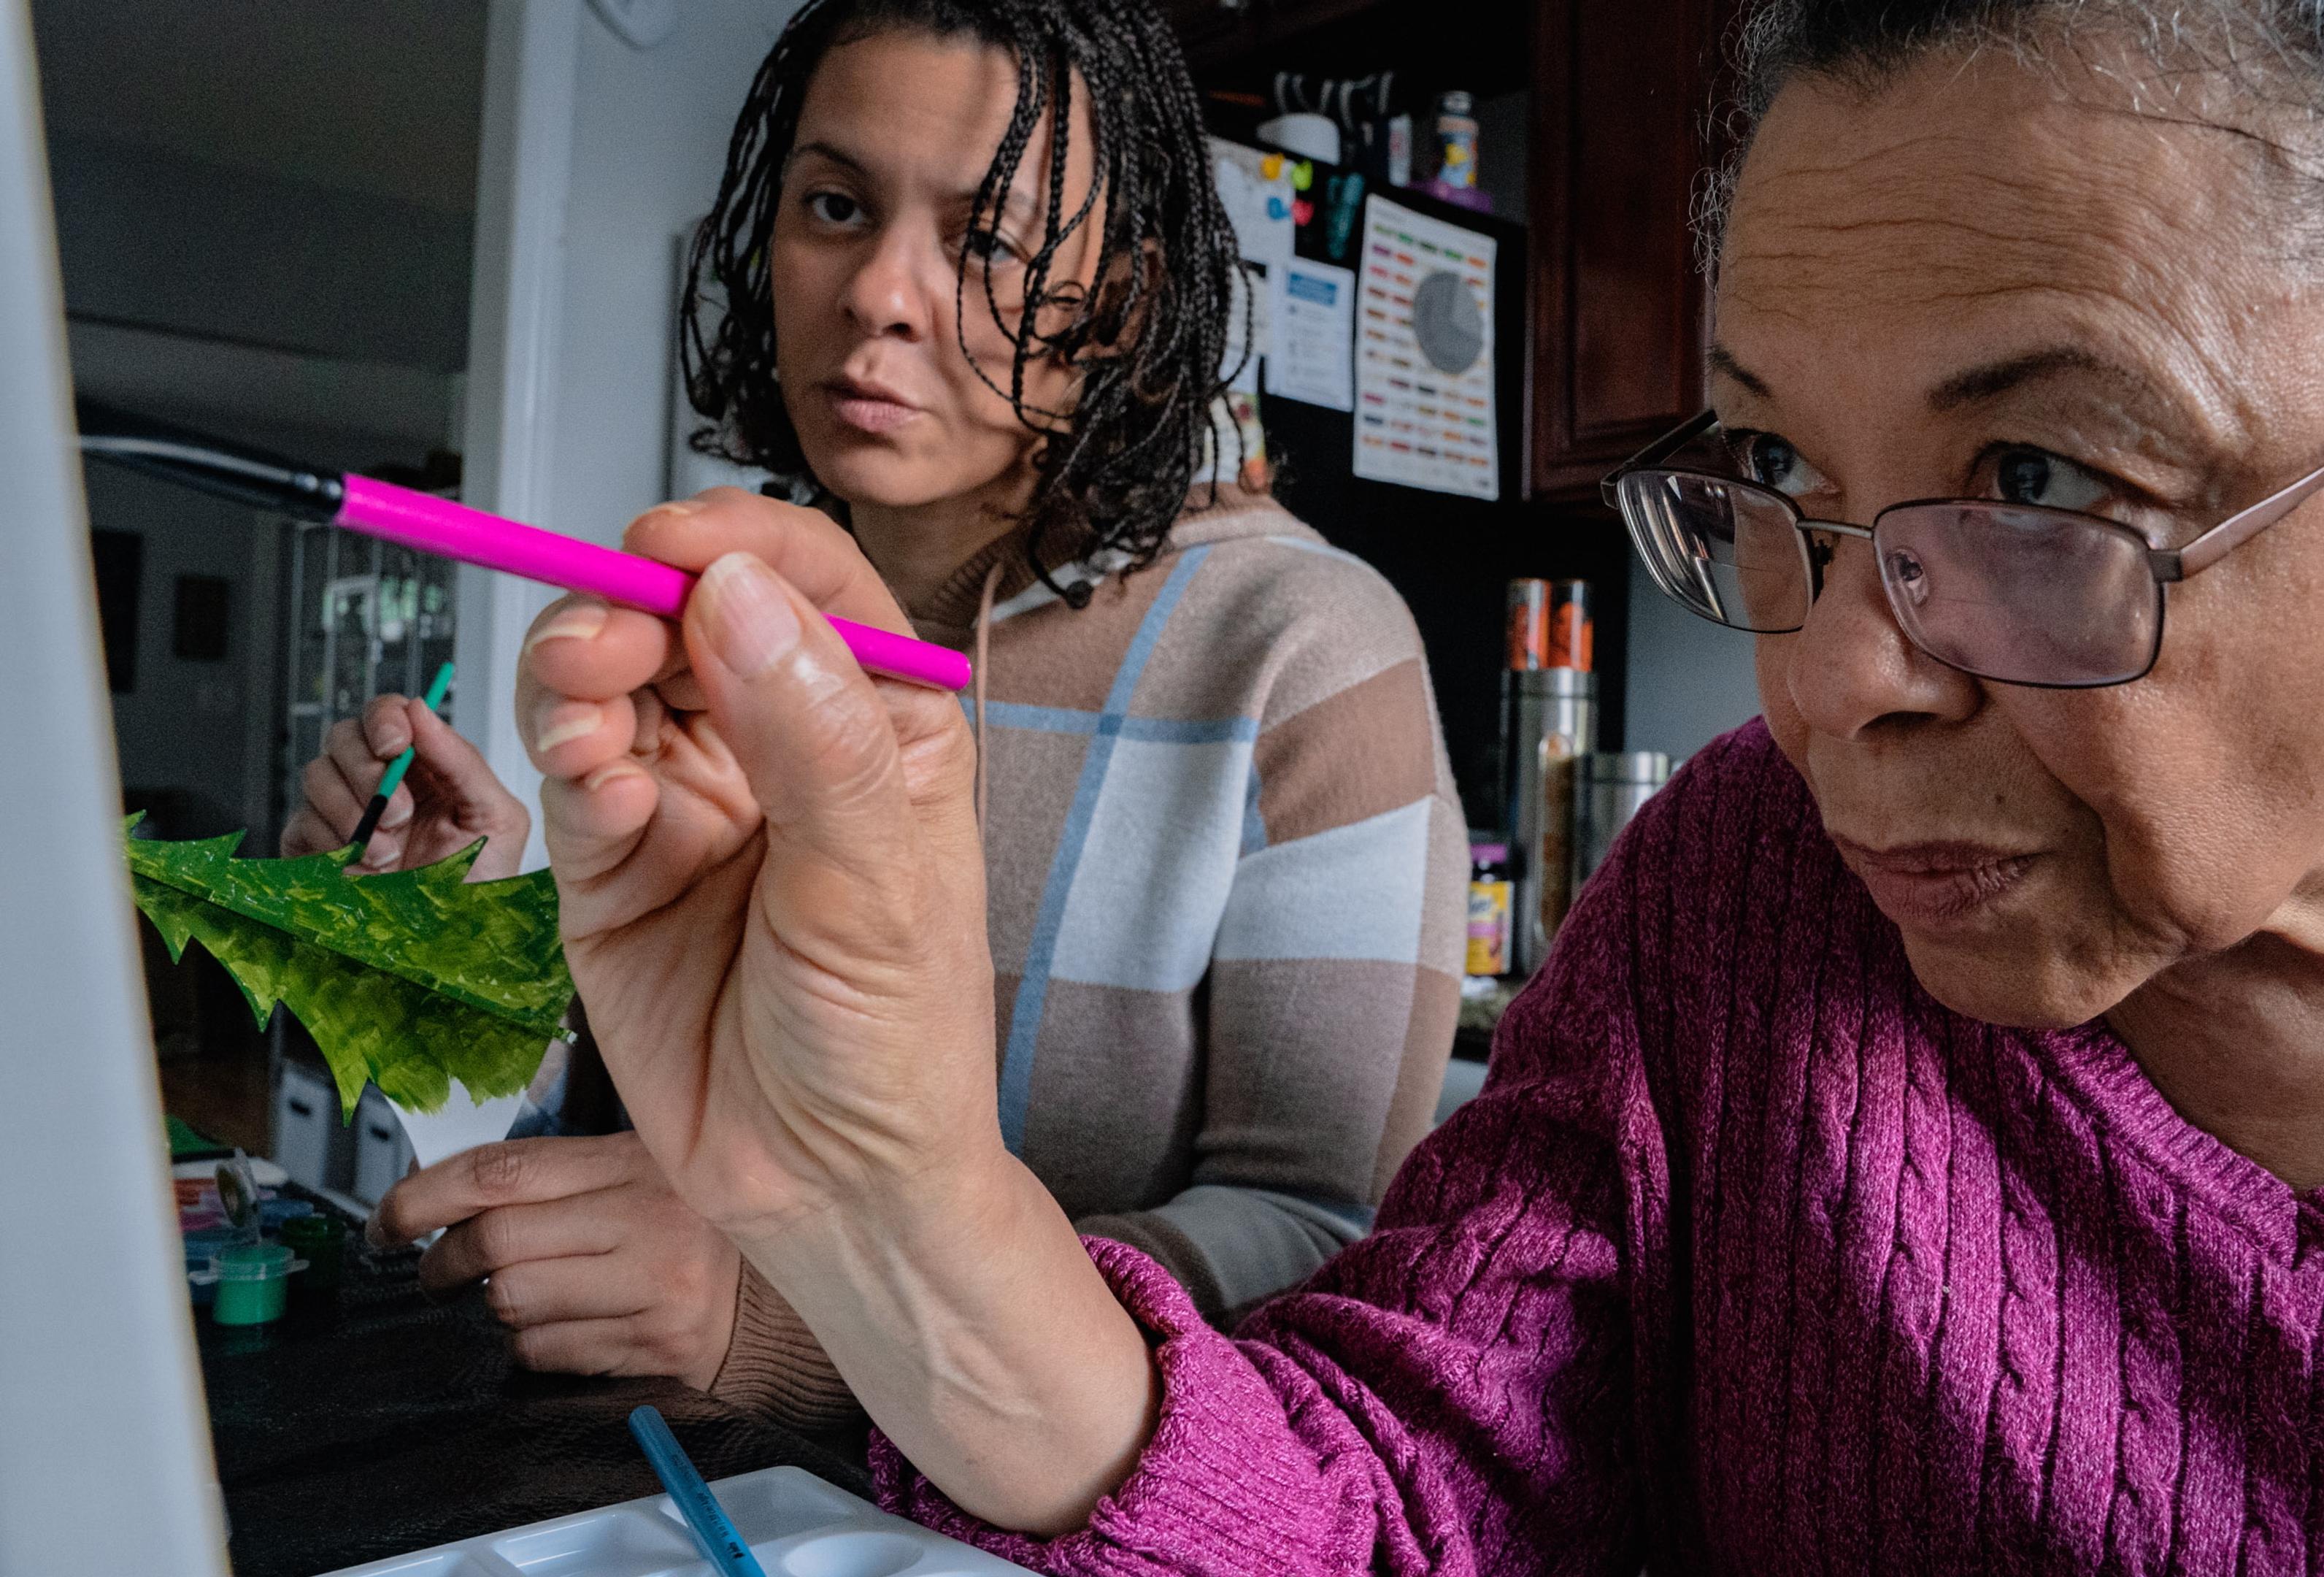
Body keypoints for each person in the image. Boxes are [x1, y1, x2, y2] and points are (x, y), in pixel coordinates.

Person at [508, 0, 2324, 1565]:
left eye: (2036, 473)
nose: (1819, 690)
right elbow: (1399, 1508)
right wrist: (897, 1200)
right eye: (1778, 465)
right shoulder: (1743, 898)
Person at [281, 0, 1465, 1435]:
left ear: (1126, 303)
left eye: (990, 239)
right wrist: (452, 949)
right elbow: (626, 1142)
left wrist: (800, 1324)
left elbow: (1324, 1243)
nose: (882, 295)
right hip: (646, 1484)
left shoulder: (1302, 652)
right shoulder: (720, 612)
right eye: (835, 206)